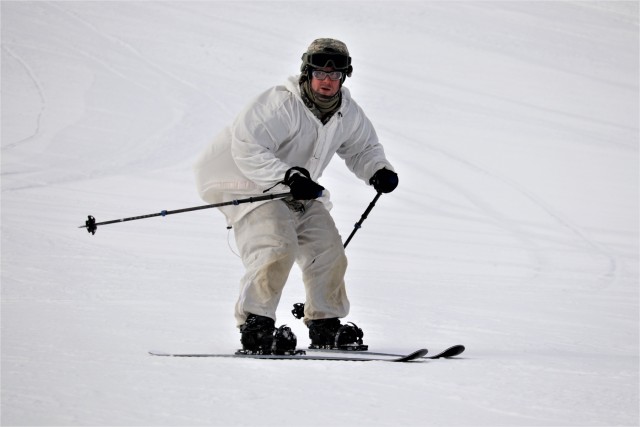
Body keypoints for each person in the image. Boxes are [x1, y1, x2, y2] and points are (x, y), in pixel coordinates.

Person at [193, 38, 398, 354]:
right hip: (248, 185)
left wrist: (378, 169)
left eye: (335, 75)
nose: (327, 80)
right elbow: (247, 147)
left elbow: (363, 148)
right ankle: (256, 325)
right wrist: (287, 175)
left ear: (344, 77)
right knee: (277, 245)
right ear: (307, 72)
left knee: (328, 249)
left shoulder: (346, 113)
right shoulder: (280, 104)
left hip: (298, 189)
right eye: (320, 73)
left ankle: (325, 324)